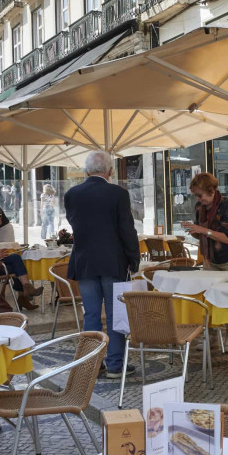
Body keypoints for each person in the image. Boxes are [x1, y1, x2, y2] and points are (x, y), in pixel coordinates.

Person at [64, 150, 140, 379]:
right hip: (113, 262)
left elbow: (74, 223)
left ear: (87, 171)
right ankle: (116, 365)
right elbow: (127, 229)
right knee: (117, 313)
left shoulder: (72, 194)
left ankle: (93, 364)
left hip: (84, 262)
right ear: (110, 171)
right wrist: (134, 258)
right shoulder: (117, 194)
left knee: (91, 315)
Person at [184, 172, 228, 271]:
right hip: (210, 258)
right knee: (208, 285)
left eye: (200, 195)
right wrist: (191, 229)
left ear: (211, 191)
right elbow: (201, 235)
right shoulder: (199, 207)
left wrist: (202, 230)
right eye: (196, 195)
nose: (198, 199)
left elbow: (226, 238)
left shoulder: (227, 206)